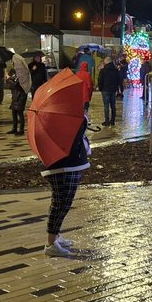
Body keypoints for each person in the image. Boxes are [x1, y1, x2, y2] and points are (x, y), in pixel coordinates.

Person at [42, 119, 90, 257]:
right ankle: (51, 243)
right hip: (62, 165)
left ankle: (55, 236)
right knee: (61, 203)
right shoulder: (58, 118)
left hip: (70, 163)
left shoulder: (68, 114)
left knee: (62, 202)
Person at [97, 56, 122, 126]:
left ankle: (107, 120)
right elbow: (118, 80)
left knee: (106, 105)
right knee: (113, 105)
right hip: (113, 90)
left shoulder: (103, 70)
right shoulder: (116, 70)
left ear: (106, 62)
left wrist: (100, 88)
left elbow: (100, 80)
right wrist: (117, 88)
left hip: (105, 90)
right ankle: (113, 120)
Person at [7, 68, 28, 135]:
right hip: (15, 97)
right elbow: (11, 86)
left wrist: (9, 79)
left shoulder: (23, 76)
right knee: (14, 113)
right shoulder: (13, 73)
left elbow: (16, 85)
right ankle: (14, 128)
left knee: (20, 114)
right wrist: (9, 79)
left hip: (21, 97)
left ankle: (21, 130)